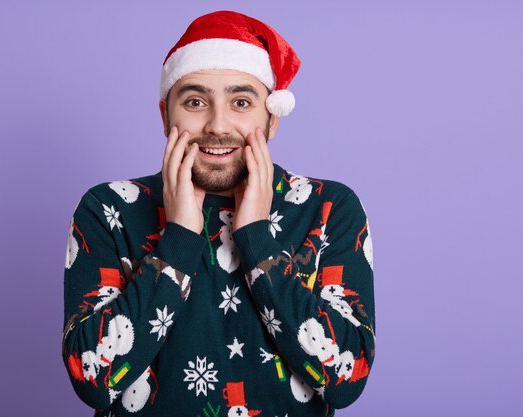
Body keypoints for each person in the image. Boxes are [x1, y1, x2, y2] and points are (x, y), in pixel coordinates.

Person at [62, 10, 375, 417]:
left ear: (272, 119)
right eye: (195, 101)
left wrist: (258, 239)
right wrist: (177, 241)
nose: (217, 124)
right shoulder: (109, 209)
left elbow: (345, 381)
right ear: (165, 116)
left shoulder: (329, 209)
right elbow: (93, 381)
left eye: (241, 102)